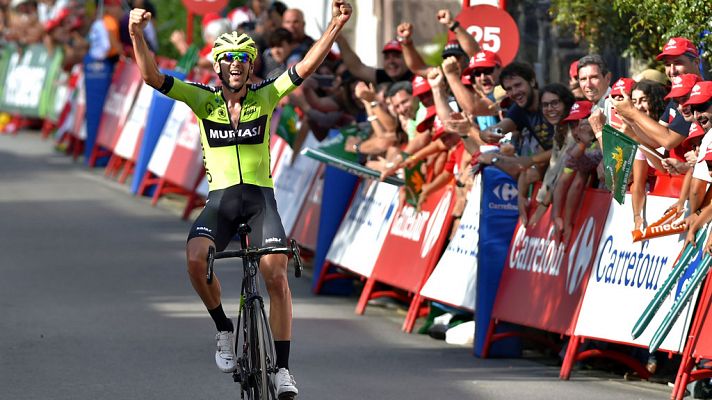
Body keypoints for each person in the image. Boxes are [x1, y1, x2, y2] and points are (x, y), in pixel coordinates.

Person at [128, 1, 352, 397]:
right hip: (221, 202)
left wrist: (335, 25)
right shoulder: (203, 100)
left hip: (260, 201)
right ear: (218, 66)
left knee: (276, 274)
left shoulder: (265, 96)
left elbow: (306, 68)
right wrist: (135, 33)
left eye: (243, 59)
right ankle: (224, 329)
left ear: (251, 66)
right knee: (197, 260)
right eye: (228, 58)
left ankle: (282, 369)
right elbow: (151, 76)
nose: (236, 64)